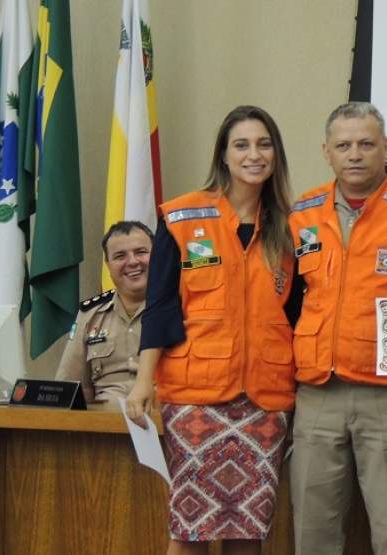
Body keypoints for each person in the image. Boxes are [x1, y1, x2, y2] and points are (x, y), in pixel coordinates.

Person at [125, 105, 297, 555]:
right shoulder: (182, 217)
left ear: (276, 155)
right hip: (196, 400)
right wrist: (144, 381)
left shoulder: (291, 228)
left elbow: (297, 314)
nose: (253, 154)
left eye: (264, 144)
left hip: (264, 402)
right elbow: (160, 305)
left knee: (249, 530)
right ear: (223, 154)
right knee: (190, 528)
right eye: (241, 145)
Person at [288, 101, 387, 555]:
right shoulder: (302, 212)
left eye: (365, 144)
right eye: (343, 145)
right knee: (313, 531)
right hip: (317, 394)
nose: (354, 154)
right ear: (327, 151)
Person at [55, 220, 153, 403]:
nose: (132, 262)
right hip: (106, 422)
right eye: (120, 256)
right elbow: (71, 388)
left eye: (141, 252)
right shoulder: (89, 315)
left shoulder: (180, 309)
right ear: (108, 265)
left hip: (162, 418)